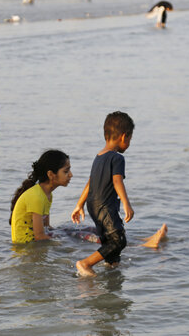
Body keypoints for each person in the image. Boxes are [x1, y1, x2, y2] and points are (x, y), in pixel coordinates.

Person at [71, 111, 166, 277]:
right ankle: (86, 263)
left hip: (93, 206)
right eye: (130, 139)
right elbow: (117, 182)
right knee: (119, 240)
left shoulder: (98, 157)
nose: (129, 143)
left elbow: (89, 183)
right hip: (105, 206)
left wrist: (79, 205)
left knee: (109, 241)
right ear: (124, 137)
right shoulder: (117, 158)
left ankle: (112, 267)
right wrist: (127, 203)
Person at [10, 150, 72, 243]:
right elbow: (39, 236)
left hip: (35, 244)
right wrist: (66, 243)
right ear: (51, 174)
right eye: (66, 171)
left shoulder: (47, 195)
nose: (71, 175)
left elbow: (47, 227)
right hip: (27, 249)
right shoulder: (36, 197)